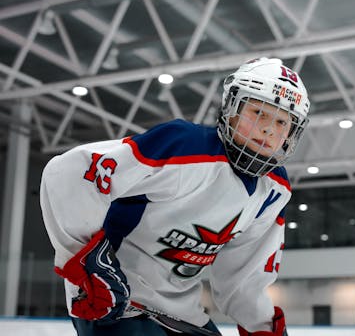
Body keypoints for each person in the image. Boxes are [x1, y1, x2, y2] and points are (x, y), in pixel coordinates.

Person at [40, 57, 310, 336]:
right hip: (118, 304)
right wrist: (89, 267)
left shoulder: (274, 189)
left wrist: (261, 328)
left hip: (184, 312)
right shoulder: (183, 145)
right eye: (259, 113)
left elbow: (244, 277)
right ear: (231, 109)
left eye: (282, 122)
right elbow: (69, 173)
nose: (269, 129)